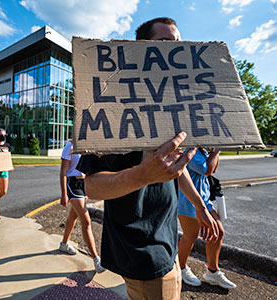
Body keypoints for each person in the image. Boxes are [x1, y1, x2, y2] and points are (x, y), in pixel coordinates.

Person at [77, 17, 219, 300]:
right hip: (141, 248)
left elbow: (176, 168)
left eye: (178, 44)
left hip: (167, 240)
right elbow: (90, 186)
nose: (174, 51)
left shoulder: (172, 108)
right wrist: (143, 175)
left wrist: (200, 206)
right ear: (142, 49)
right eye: (165, 43)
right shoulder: (110, 106)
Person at [178, 148, 236, 289]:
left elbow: (213, 169)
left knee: (218, 232)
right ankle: (181, 268)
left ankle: (212, 271)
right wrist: (217, 151)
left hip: (204, 199)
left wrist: (215, 152)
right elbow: (207, 170)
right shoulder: (189, 150)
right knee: (190, 236)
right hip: (189, 201)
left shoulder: (202, 150)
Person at [58, 140, 105, 273]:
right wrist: (64, 194)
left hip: (85, 184)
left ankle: (64, 244)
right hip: (73, 185)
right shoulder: (70, 146)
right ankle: (96, 260)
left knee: (73, 217)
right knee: (86, 222)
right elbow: (63, 171)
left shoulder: (87, 145)